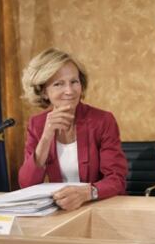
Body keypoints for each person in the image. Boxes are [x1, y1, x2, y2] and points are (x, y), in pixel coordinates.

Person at [19, 48, 127, 211]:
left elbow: (117, 180)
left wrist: (86, 193)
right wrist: (46, 136)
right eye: (58, 84)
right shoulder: (37, 124)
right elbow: (26, 184)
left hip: (101, 207)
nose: (69, 91)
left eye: (74, 82)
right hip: (60, 210)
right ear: (44, 92)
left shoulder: (102, 121)